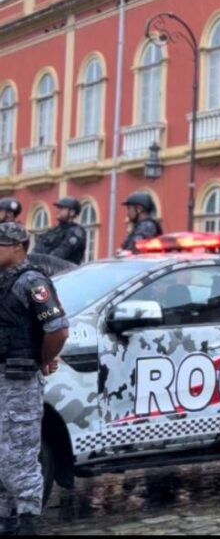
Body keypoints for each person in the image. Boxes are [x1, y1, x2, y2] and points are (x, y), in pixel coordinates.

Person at [0, 222, 69, 536]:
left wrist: (42, 359)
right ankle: (7, 519)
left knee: (21, 456)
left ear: (18, 246)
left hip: (19, 380)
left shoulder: (32, 282)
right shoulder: (4, 280)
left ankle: (27, 522)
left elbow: (57, 329)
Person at [31, 197, 86, 266]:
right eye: (58, 208)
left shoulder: (76, 232)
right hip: (44, 268)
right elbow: (37, 250)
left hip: (66, 270)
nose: (58, 211)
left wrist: (42, 261)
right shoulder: (53, 231)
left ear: (72, 212)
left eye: (62, 208)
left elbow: (61, 252)